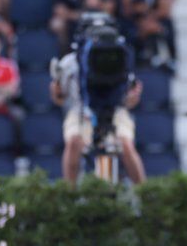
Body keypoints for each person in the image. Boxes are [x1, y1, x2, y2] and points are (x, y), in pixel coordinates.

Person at [51, 36, 147, 185]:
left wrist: (132, 98)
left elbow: (129, 101)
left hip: (115, 110)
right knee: (73, 142)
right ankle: (68, 195)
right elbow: (60, 99)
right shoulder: (70, 62)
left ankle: (144, 193)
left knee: (125, 144)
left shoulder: (120, 57)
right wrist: (56, 91)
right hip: (81, 110)